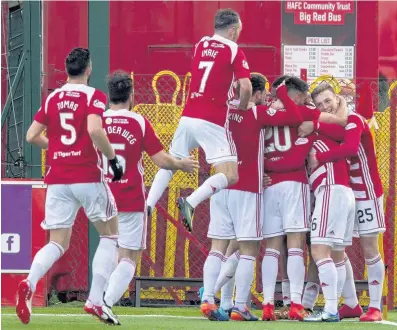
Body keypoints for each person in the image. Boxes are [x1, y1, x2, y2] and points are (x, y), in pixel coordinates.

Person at [17, 48, 123, 324]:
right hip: (87, 175)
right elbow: (94, 130)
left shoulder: (53, 98)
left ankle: (29, 281)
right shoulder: (94, 96)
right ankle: (96, 300)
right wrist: (112, 159)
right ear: (88, 69)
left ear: (67, 70)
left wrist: (59, 149)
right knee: (110, 235)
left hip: (58, 179)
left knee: (57, 243)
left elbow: (31, 135)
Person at [89, 71, 199, 324]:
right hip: (130, 199)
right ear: (131, 95)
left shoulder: (98, 121)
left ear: (109, 96)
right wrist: (180, 164)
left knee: (110, 247)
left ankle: (98, 298)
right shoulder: (137, 121)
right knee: (130, 257)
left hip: (103, 197)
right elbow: (160, 159)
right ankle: (104, 303)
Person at [201, 74, 305, 321]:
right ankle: (240, 306)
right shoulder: (257, 114)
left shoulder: (221, 112)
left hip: (220, 185)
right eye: (264, 95)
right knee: (248, 249)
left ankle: (208, 300)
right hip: (246, 187)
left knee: (218, 247)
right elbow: (294, 117)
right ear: (257, 94)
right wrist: (281, 95)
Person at [146, 8, 252, 231]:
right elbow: (246, 86)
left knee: (172, 162)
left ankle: (148, 205)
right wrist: (242, 107)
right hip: (212, 119)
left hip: (188, 116)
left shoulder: (200, 45)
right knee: (230, 175)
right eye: (239, 30)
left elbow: (211, 73)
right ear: (232, 30)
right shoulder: (234, 50)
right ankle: (190, 203)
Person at [261, 75, 348, 321]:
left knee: (272, 248)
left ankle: (268, 303)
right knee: (298, 245)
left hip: (269, 182)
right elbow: (342, 123)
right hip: (296, 182)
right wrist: (340, 100)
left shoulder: (263, 112)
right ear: (297, 96)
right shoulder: (305, 113)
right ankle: (297, 304)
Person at [299, 83, 386, 322]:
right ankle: (351, 304)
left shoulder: (355, 119)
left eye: (327, 101)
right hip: (349, 193)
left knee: (370, 250)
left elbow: (349, 147)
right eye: (319, 105)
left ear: (337, 98)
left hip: (366, 191)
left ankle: (375, 307)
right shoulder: (335, 123)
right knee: (339, 250)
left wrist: (320, 156)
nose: (325, 106)